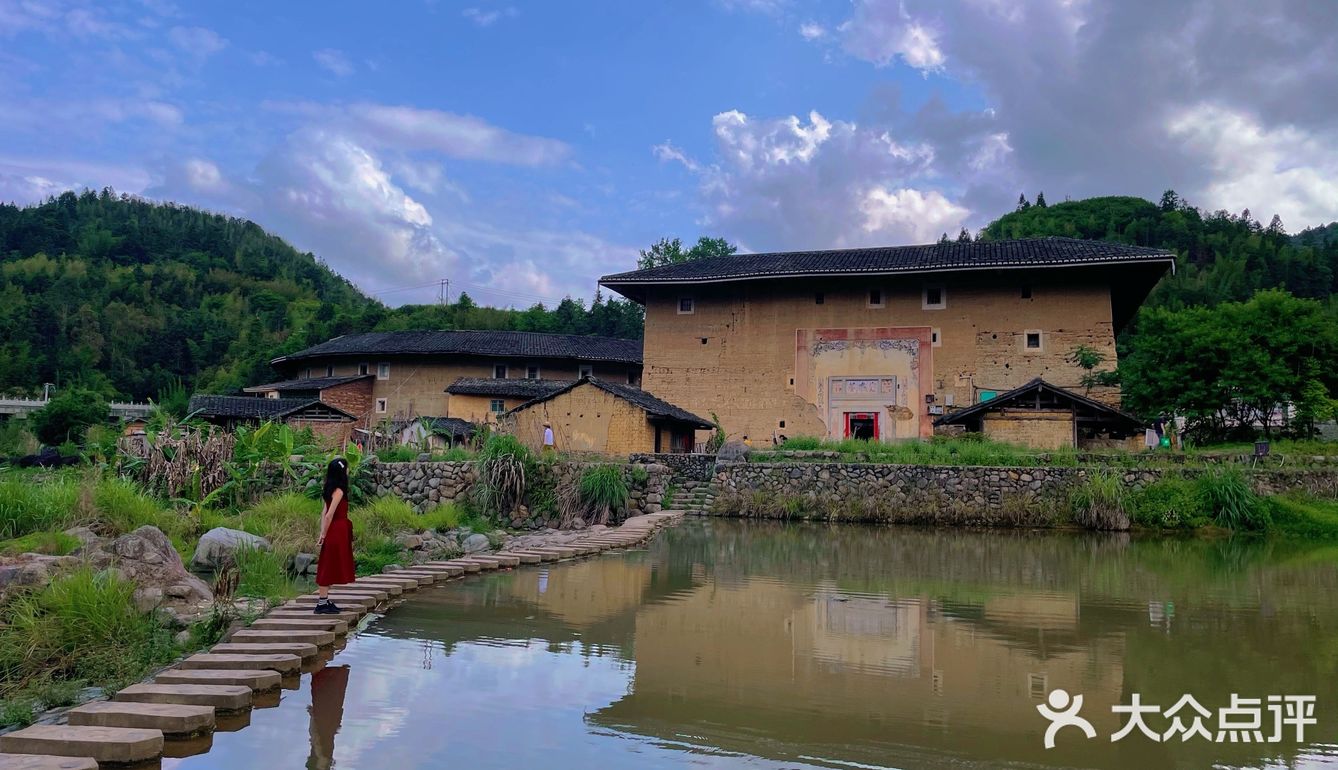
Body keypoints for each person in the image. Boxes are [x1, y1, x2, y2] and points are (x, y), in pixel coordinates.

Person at [314, 458, 355, 615]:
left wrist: (322, 532)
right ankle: (322, 603)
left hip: (334, 530)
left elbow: (323, 512)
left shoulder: (329, 489)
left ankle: (324, 601)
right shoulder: (338, 491)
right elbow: (329, 514)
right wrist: (324, 533)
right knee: (328, 565)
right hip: (337, 530)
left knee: (328, 564)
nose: (348, 471)